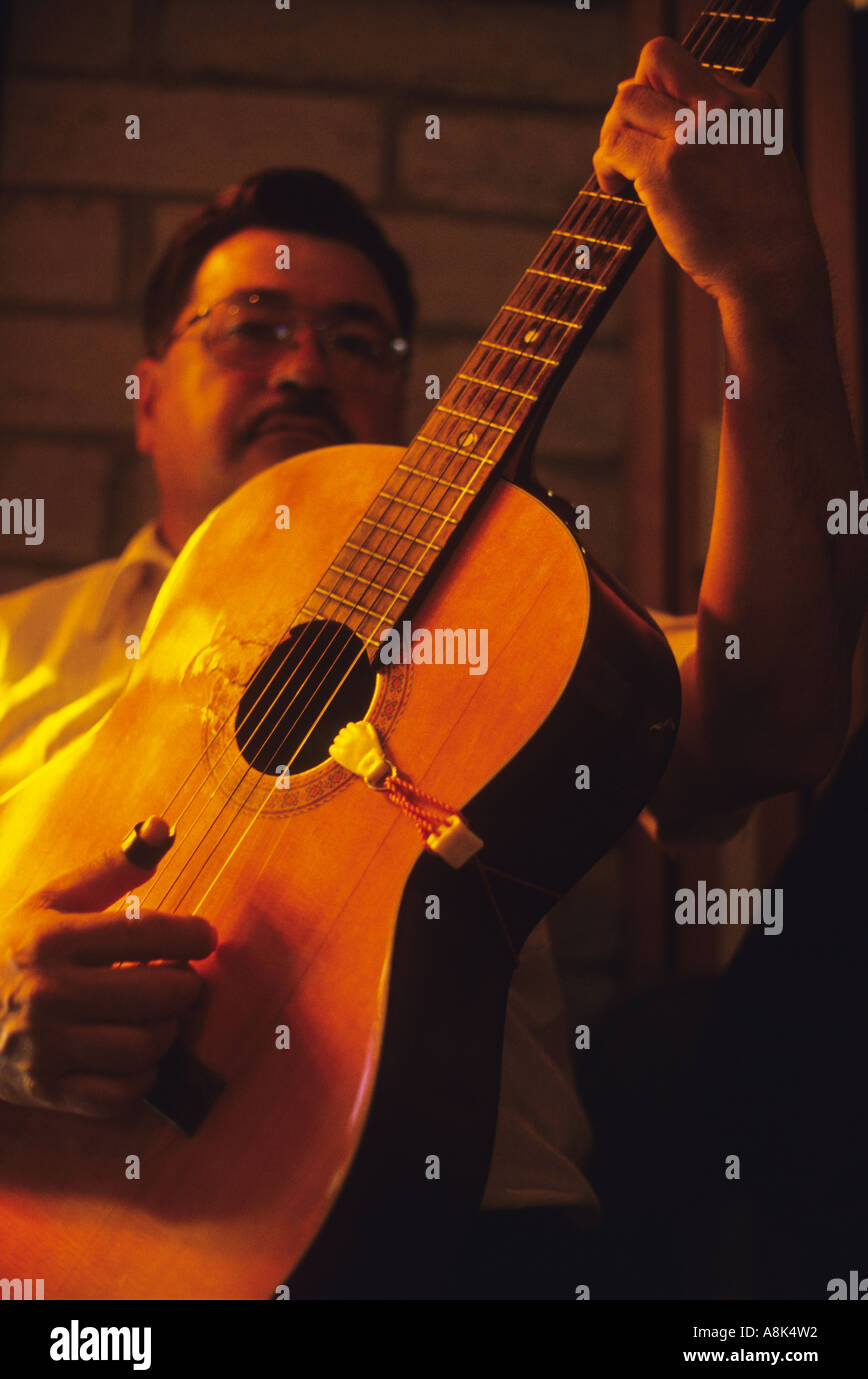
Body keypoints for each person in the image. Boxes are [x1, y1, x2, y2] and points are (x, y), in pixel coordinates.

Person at [0, 38, 863, 1299]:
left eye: (362, 341)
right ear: (144, 395)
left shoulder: (510, 607)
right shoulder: (18, 641)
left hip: (461, 1246)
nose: (306, 366)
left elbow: (770, 726)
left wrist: (770, 290)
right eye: (255, 328)